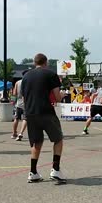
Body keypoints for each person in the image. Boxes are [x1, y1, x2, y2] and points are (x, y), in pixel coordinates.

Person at [21, 53, 66, 183]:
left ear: (35, 62)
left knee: (37, 142)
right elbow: (57, 97)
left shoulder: (26, 76)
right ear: (46, 62)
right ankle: (55, 169)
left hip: (30, 113)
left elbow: (24, 98)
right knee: (58, 139)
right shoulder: (51, 74)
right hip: (46, 111)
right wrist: (62, 95)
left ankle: (33, 172)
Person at [12, 70, 28, 141]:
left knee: (16, 118)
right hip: (26, 103)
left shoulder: (17, 82)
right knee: (25, 118)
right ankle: (20, 133)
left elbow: (14, 93)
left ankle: (14, 133)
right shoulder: (28, 82)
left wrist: (14, 100)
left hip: (18, 103)